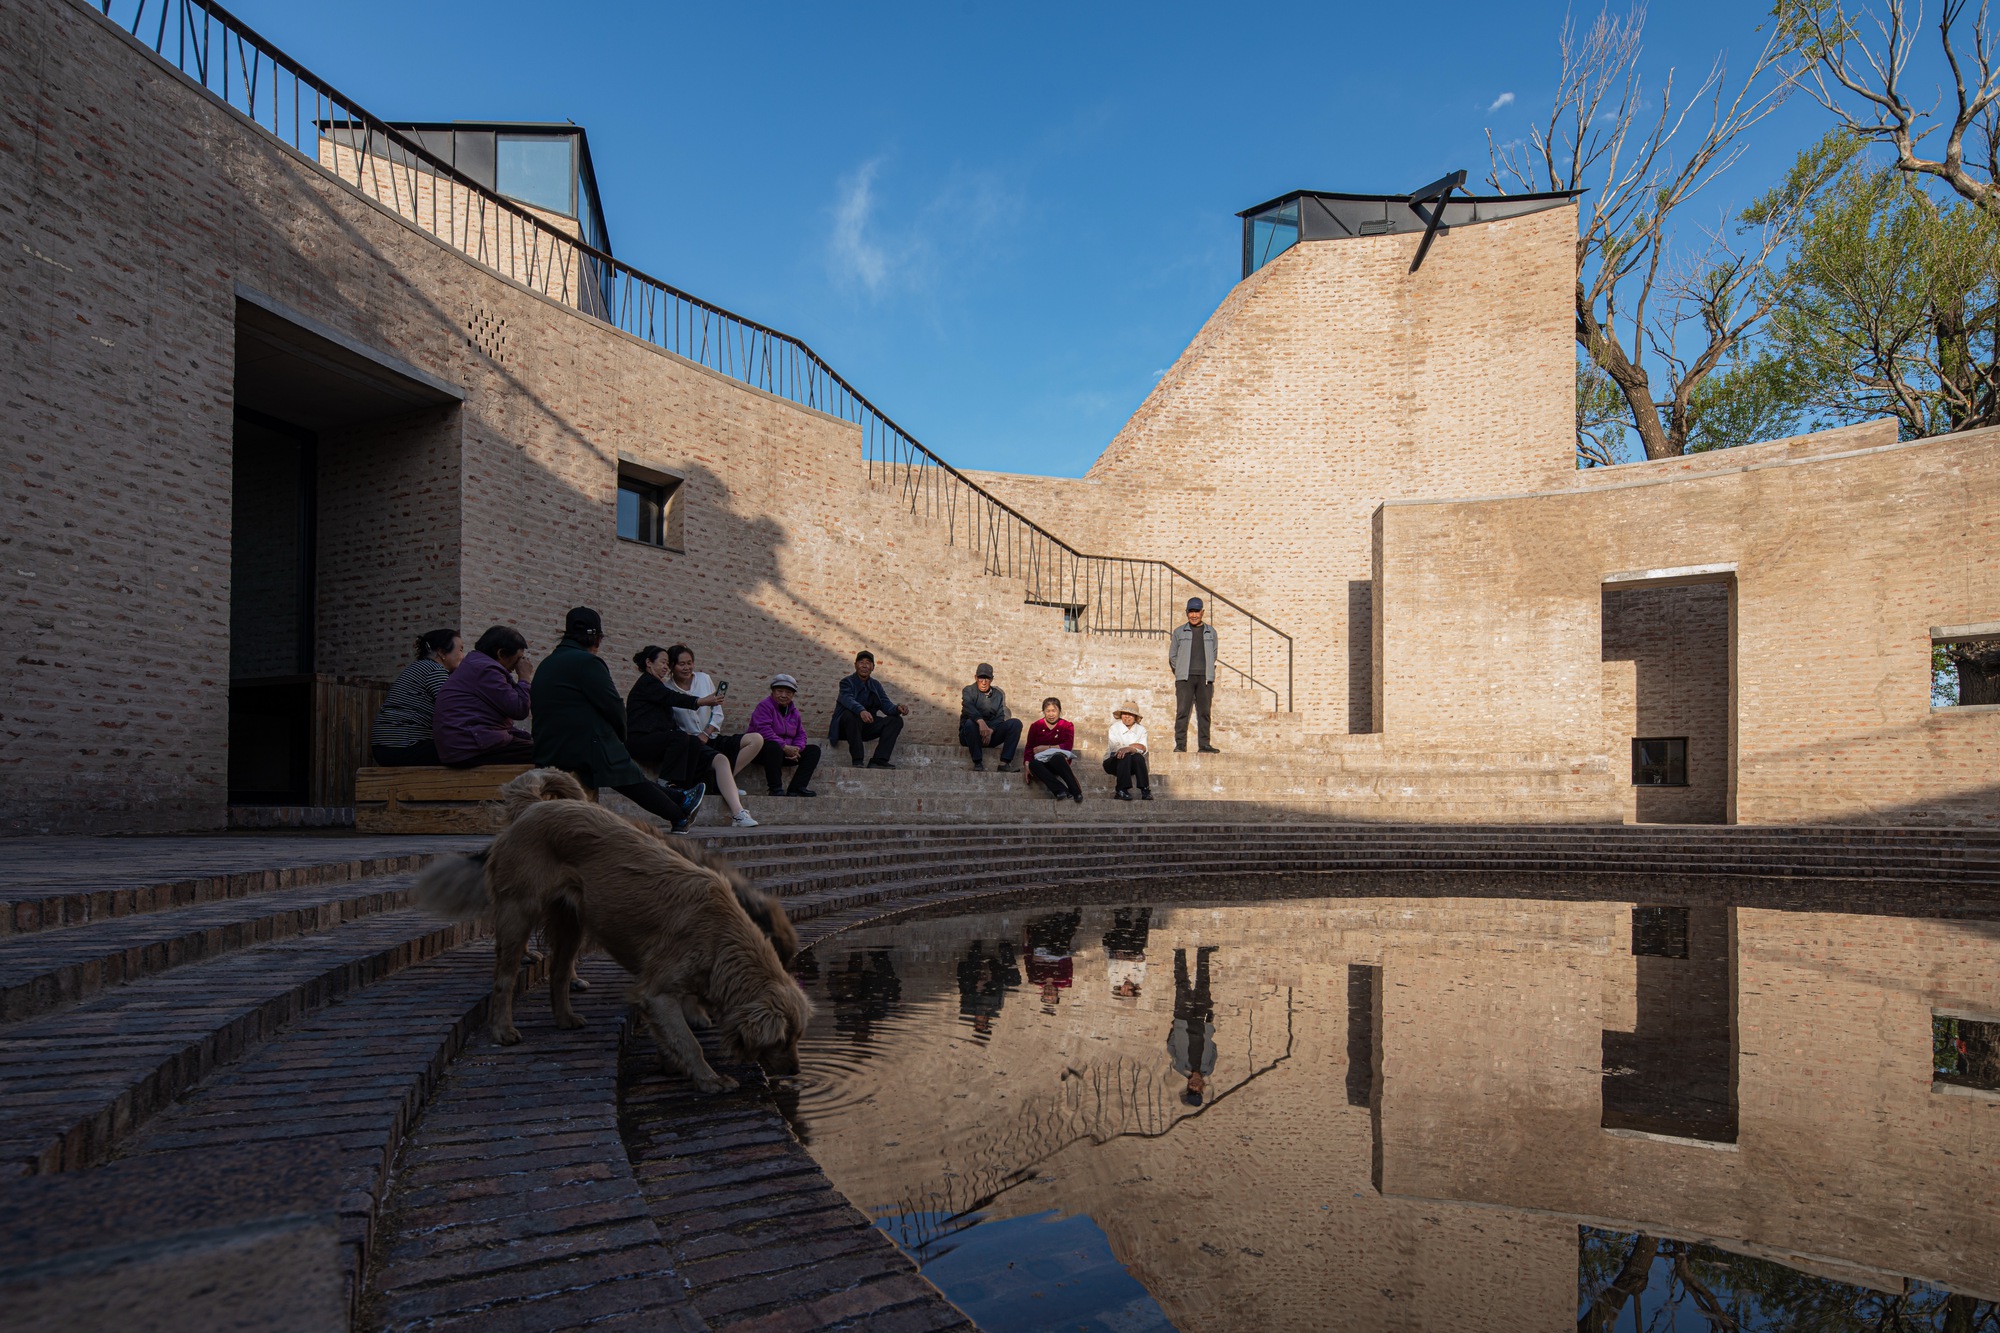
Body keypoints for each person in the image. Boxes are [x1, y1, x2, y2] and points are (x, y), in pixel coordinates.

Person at [529, 607, 703, 833]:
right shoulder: (588, 663)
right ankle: (678, 814)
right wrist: (620, 739)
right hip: (577, 747)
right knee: (621, 766)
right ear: (596, 639)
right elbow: (613, 707)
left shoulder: (547, 663)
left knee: (624, 770)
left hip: (548, 746)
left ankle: (680, 799)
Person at [628, 645, 756, 828]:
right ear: (649, 663)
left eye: (667, 663)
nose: (665, 667)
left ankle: (688, 787)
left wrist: (705, 731)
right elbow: (674, 698)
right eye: (663, 663)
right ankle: (666, 782)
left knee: (690, 742)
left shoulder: (698, 680)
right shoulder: (650, 683)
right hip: (640, 741)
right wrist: (701, 701)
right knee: (681, 738)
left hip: (676, 738)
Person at [664, 645, 766, 791]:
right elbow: (671, 721)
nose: (687, 667)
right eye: (682, 664)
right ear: (672, 665)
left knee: (756, 739)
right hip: (692, 743)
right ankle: (726, 786)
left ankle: (724, 784)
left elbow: (717, 711)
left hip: (711, 736)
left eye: (689, 663)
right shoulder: (667, 689)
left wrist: (706, 733)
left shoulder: (704, 678)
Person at [434, 626, 536, 767]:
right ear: (501, 653)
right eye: (518, 658)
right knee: (549, 753)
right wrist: (524, 677)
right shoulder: (486, 670)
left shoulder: (477, 665)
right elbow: (519, 709)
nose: (518, 664)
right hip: (471, 746)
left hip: (467, 743)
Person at [371, 628, 463, 765]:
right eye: (460, 649)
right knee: (467, 751)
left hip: (386, 746)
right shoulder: (435, 671)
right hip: (404, 746)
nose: (463, 655)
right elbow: (455, 708)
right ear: (442, 653)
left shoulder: (420, 667)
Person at [829, 650, 907, 768]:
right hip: (847, 728)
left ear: (873, 667)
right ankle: (857, 759)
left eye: (868, 663)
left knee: (896, 720)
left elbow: (886, 705)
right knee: (850, 715)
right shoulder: (846, 682)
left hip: (866, 727)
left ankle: (878, 760)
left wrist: (898, 708)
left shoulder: (876, 685)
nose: (865, 665)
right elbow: (848, 699)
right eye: (861, 662)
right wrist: (861, 710)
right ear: (855, 665)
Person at [748, 674, 821, 797]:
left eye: (788, 692)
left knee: (813, 751)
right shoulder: (764, 706)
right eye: (779, 691)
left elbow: (801, 734)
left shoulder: (794, 712)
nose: (783, 695)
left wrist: (797, 748)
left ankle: (797, 787)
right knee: (773, 746)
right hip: (764, 752)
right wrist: (785, 747)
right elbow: (763, 730)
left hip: (786, 753)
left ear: (792, 695)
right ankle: (775, 788)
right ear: (773, 691)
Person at [1169, 597, 1221, 754]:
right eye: (1190, 611)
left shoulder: (1211, 632)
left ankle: (1204, 745)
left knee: (1204, 712)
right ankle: (1180, 745)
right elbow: (1173, 656)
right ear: (1186, 613)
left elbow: (1214, 652)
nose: (1193, 615)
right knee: (1182, 711)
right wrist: (1181, 669)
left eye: (1196, 611)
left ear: (1202, 612)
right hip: (1185, 678)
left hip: (1205, 677)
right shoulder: (1179, 632)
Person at [1168, 946, 1218, 1107]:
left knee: (1182, 986)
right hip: (1203, 1024)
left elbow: (1171, 1047)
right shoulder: (1208, 1069)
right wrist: (1208, 1030)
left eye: (1191, 1088)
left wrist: (1177, 1029)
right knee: (1203, 986)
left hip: (1183, 1021)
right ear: (1203, 1088)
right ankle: (1203, 954)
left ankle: (1179, 954)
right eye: (1197, 1090)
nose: (1194, 1086)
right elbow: (1214, 1050)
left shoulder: (1180, 1067)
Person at [959, 663, 1022, 771]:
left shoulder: (998, 695)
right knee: (970, 723)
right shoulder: (968, 691)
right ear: (976, 678)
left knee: (1015, 723)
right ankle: (977, 762)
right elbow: (969, 707)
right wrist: (981, 723)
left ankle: (1005, 763)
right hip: (970, 735)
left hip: (990, 736)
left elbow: (1000, 716)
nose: (983, 682)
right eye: (981, 678)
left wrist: (990, 730)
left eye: (987, 679)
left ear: (991, 679)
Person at [1023, 696, 1083, 803]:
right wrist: (1027, 765)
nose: (1051, 714)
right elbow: (1029, 747)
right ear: (1044, 712)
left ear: (1060, 711)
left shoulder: (1067, 726)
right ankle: (1061, 790)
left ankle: (1076, 791)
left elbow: (1067, 746)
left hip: (1059, 763)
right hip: (1042, 763)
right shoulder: (1036, 726)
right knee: (1033, 764)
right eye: (1048, 711)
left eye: (1054, 711)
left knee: (1057, 758)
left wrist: (1045, 748)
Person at [1103, 703, 1153, 801]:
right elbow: (1116, 748)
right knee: (1124, 755)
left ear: (1135, 717)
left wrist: (1129, 748)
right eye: (1124, 714)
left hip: (1131, 765)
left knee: (1138, 757)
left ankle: (1145, 789)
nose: (1127, 717)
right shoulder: (1114, 728)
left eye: (1130, 714)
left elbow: (1143, 748)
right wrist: (1133, 747)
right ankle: (1121, 789)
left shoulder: (1141, 730)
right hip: (1113, 762)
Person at [1104, 907, 1151, 1001]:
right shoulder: (1138, 979)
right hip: (1133, 953)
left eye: (1123, 990)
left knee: (1123, 945)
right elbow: (1141, 962)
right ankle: (1144, 917)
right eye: (1129, 990)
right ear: (1133, 989)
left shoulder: (1114, 979)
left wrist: (1123, 957)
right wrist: (1129, 957)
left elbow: (1112, 964)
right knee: (1138, 947)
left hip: (1118, 951)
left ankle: (1122, 918)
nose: (1125, 987)